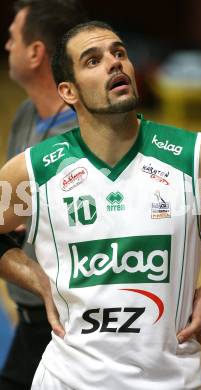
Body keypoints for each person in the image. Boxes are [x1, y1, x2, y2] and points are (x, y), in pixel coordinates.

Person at [0, 20, 201, 390]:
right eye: (93, 60)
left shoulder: (194, 158)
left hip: (171, 382)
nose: (114, 63)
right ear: (68, 91)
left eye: (119, 53)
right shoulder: (36, 170)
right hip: (66, 381)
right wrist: (38, 281)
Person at [0, 1, 87, 389]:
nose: (6, 46)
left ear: (35, 53)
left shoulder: (76, 146)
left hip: (62, 327)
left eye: (13, 37)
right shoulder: (24, 113)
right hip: (30, 315)